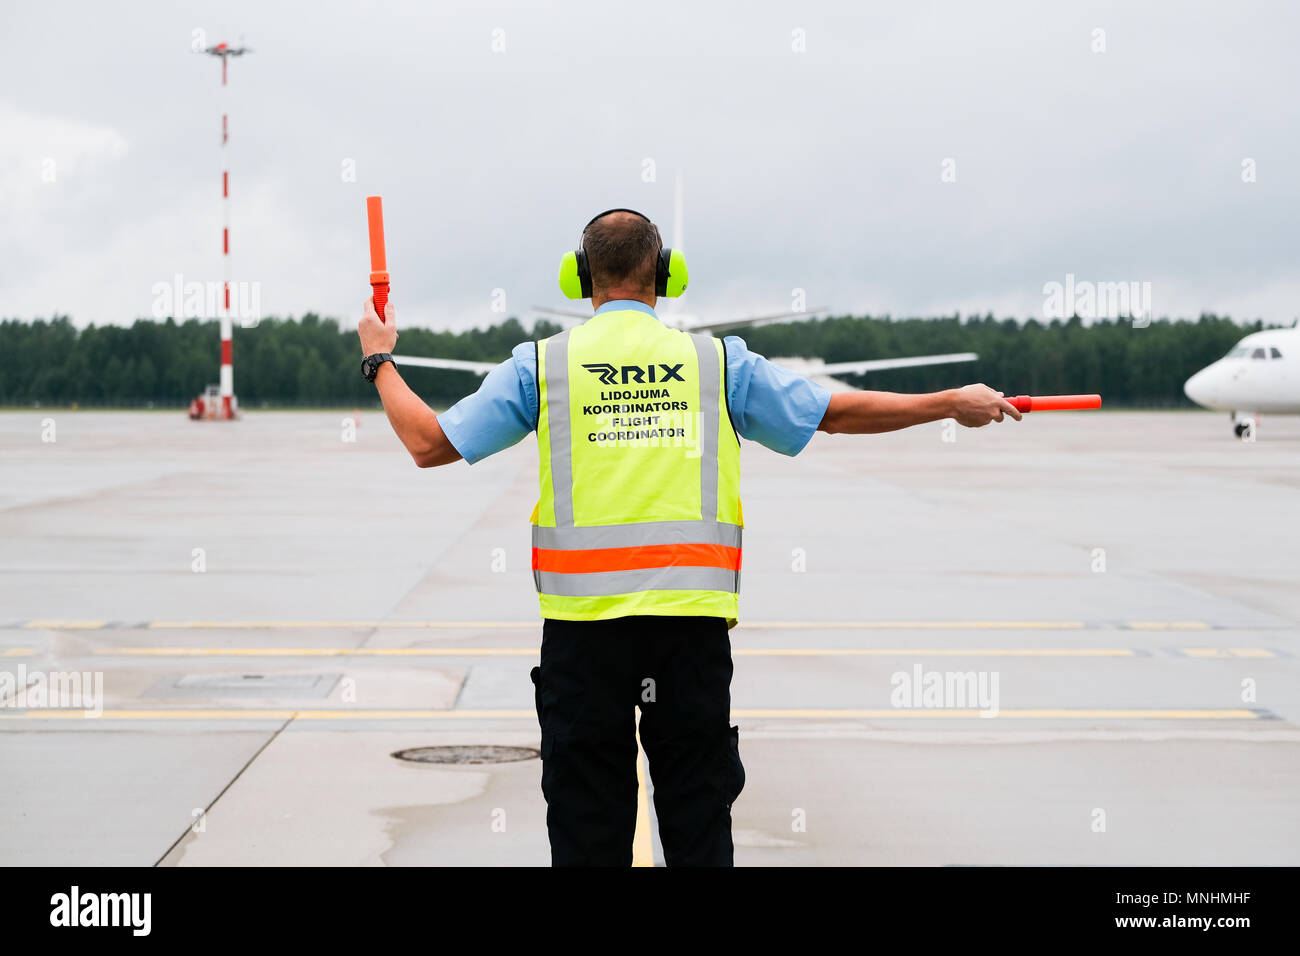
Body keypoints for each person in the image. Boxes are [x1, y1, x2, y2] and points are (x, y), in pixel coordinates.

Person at [356, 208, 1020, 866]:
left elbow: (426, 443)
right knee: (698, 827)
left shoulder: (543, 367)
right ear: (667, 275)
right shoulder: (716, 364)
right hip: (689, 639)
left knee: (589, 832)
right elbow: (837, 414)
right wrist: (949, 402)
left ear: (579, 277)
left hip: (585, 642)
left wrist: (380, 359)